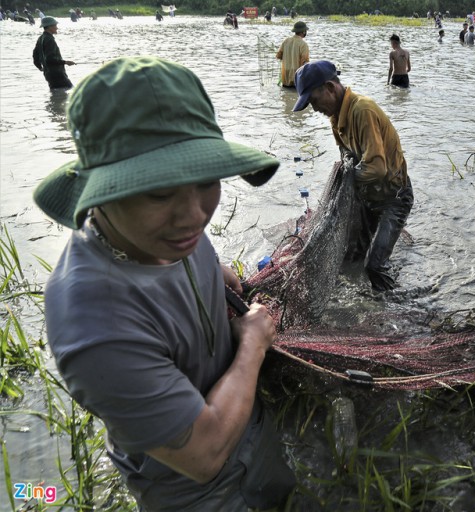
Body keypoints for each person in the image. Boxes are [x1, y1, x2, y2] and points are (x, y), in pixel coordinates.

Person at [33, 56, 296, 511]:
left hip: (256, 438)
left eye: (207, 180)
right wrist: (252, 344)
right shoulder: (95, 326)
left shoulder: (162, 230)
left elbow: (191, 250)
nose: (195, 216)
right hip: (196, 493)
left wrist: (217, 274)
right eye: (159, 192)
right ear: (102, 191)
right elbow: (205, 452)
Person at [292, 61, 414, 291]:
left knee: (374, 266)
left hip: (393, 197)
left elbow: (377, 169)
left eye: (313, 101)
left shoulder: (362, 110)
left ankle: (396, 309)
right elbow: (347, 153)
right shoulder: (336, 117)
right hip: (367, 197)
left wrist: (346, 181)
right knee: (351, 258)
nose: (314, 109)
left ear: (330, 87)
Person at [33, 17, 75, 90]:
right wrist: (65, 62)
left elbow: (35, 56)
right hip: (57, 74)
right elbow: (50, 59)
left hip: (48, 74)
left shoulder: (41, 38)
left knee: (56, 96)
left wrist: (40, 67)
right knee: (72, 92)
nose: (57, 28)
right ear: (49, 27)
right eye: (55, 25)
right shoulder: (49, 39)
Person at [276, 21, 309, 87]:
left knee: (285, 95)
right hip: (296, 76)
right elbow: (304, 62)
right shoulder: (303, 44)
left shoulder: (286, 41)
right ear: (303, 32)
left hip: (285, 76)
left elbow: (278, 56)